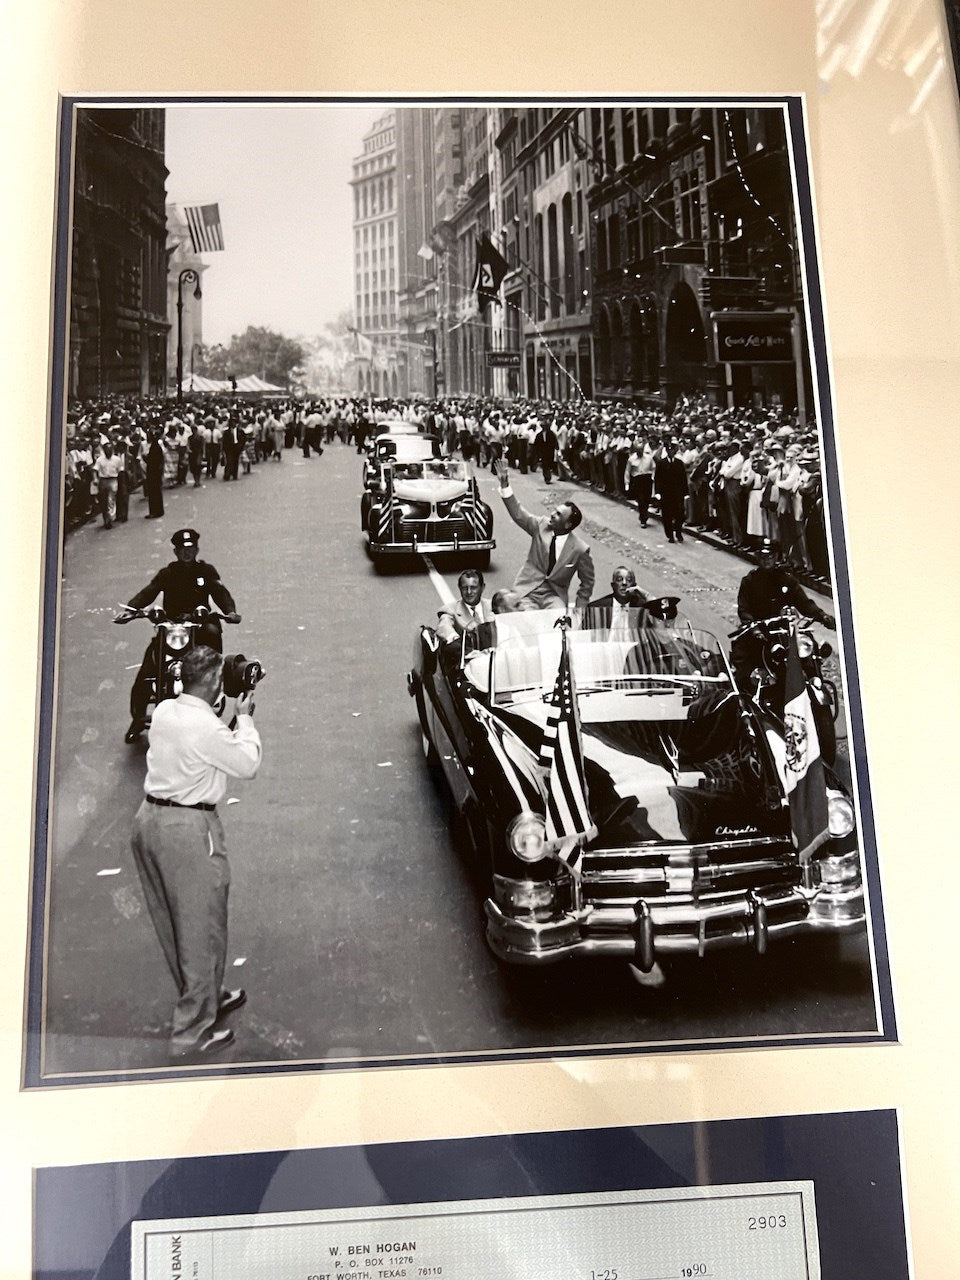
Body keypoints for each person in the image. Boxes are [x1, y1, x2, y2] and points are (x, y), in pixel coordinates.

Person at [130, 645, 261, 1058]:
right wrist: (246, 719)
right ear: (216, 683)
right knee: (202, 927)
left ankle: (207, 996)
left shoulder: (168, 711)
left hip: (149, 822)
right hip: (188, 830)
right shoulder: (208, 730)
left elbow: (202, 734)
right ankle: (190, 1033)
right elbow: (246, 763)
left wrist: (224, 713)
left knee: (178, 926)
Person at [115, 528, 242, 742]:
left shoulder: (206, 572)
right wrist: (130, 610)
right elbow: (149, 591)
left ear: (197, 549)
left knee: (212, 635)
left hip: (199, 624)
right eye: (182, 548)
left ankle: (215, 681)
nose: (187, 552)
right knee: (147, 669)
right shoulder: (168, 573)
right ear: (175, 551)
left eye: (191, 547)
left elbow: (221, 593)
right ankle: (138, 719)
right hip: (172, 626)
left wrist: (230, 612)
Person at [497, 464, 595, 609]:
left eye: (558, 515)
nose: (552, 515)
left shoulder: (580, 549)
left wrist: (580, 610)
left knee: (559, 620)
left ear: (567, 525)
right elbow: (518, 514)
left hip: (554, 596)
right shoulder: (541, 526)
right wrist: (505, 485)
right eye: (554, 511)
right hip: (527, 590)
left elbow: (587, 583)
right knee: (524, 618)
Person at [737, 538, 836, 628]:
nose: (766, 560)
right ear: (757, 557)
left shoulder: (786, 580)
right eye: (763, 556)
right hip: (759, 629)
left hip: (783, 629)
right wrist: (753, 628)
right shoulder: (749, 581)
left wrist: (822, 615)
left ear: (776, 557)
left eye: (770, 556)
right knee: (742, 646)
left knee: (810, 645)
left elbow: (804, 603)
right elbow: (744, 610)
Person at [436, 569, 489, 643]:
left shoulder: (492, 606)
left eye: (473, 588)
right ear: (459, 588)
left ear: (482, 587)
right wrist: (454, 638)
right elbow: (444, 626)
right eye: (464, 588)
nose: (469, 592)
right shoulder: (450, 610)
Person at [654, 438, 689, 543]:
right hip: (666, 493)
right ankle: (670, 535)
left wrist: (685, 492)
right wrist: (657, 492)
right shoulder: (661, 463)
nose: (670, 452)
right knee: (667, 515)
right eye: (668, 451)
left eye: (672, 450)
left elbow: (683, 479)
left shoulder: (679, 463)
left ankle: (678, 532)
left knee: (679, 514)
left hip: (677, 493)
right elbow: (658, 478)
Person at [93, 440, 123, 528]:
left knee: (111, 499)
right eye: (106, 449)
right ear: (104, 450)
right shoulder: (100, 460)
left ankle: (109, 518)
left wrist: (121, 482)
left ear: (112, 450)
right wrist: (95, 478)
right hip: (103, 481)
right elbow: (95, 470)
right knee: (103, 500)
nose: (108, 451)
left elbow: (120, 471)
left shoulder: (117, 459)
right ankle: (105, 517)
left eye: (110, 449)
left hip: (113, 480)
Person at [144, 429, 165, 518]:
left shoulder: (154, 447)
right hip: (156, 472)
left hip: (153, 472)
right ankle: (159, 511)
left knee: (153, 492)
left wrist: (145, 458)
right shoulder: (156, 446)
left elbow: (151, 460)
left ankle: (154, 511)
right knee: (156, 491)